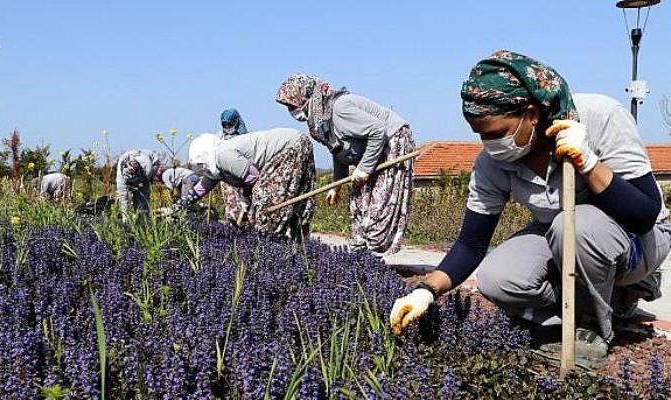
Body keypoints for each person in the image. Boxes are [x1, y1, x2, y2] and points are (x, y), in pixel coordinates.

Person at [389, 50, 671, 363]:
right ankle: (613, 297)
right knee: (498, 278)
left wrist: (588, 162)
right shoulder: (493, 163)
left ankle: (588, 328)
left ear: (532, 114)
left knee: (575, 226)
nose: (489, 144)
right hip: (561, 234)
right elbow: (472, 243)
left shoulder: (600, 116)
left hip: (636, 237)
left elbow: (644, 214)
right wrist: (426, 291)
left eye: (496, 133)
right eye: (480, 135)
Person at [275, 74, 415, 255]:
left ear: (304, 97)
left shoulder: (339, 108)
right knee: (358, 203)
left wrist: (364, 168)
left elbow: (378, 130)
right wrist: (337, 186)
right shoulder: (320, 122)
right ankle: (361, 254)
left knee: (379, 203)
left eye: (291, 105)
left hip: (392, 141)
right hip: (371, 150)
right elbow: (338, 151)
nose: (291, 111)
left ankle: (373, 255)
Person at [174, 127, 315, 236]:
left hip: (290, 147)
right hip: (295, 144)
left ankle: (270, 242)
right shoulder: (215, 167)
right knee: (272, 202)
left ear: (206, 154)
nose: (200, 167)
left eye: (200, 162)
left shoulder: (223, 155)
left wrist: (246, 197)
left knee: (265, 203)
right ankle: (293, 245)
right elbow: (200, 189)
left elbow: (253, 177)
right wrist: (179, 205)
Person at [219, 108, 252, 224]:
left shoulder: (246, 137)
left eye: (230, 124)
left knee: (244, 202)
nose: (227, 127)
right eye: (225, 124)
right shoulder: (220, 138)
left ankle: (245, 224)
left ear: (236, 122)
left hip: (241, 174)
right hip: (226, 176)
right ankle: (233, 225)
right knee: (230, 202)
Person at [115, 149, 164, 220]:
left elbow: (144, 184)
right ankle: (130, 220)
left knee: (142, 196)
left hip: (152, 162)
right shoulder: (121, 176)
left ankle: (144, 220)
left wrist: (139, 185)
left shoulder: (147, 168)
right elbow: (123, 196)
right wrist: (125, 216)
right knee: (124, 196)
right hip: (133, 164)